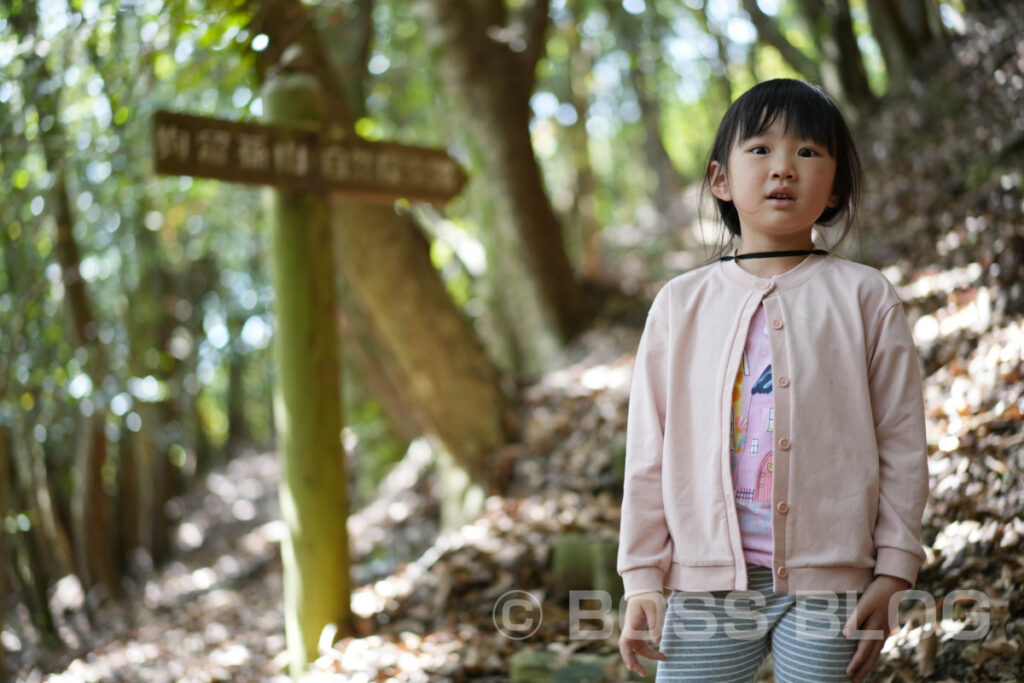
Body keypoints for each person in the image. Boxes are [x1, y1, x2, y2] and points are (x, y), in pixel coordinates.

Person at [616, 78, 929, 683]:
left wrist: (894, 570)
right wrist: (642, 578)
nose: (783, 167)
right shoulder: (681, 304)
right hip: (705, 583)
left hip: (831, 582)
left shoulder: (865, 297)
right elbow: (647, 452)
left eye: (808, 152)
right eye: (760, 149)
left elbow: (901, 442)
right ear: (721, 180)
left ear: (835, 188)